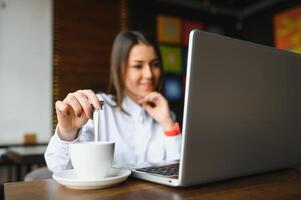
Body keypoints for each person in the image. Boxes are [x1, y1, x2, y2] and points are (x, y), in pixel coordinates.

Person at [45, 31, 182, 173]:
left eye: (155, 65)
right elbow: (59, 167)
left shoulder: (164, 114)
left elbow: (179, 170)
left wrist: (167, 123)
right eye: (138, 66)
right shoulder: (97, 107)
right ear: (119, 69)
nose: (149, 74)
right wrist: (68, 132)